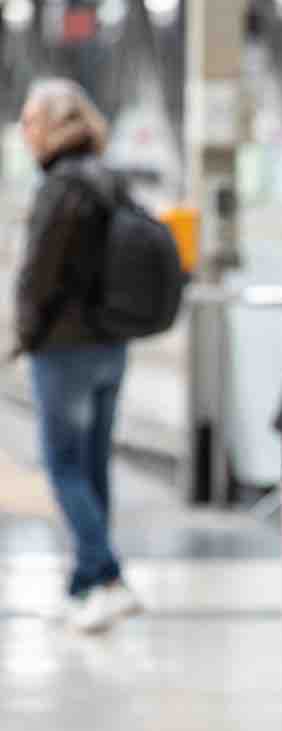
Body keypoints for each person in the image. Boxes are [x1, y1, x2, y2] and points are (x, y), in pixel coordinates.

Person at [13, 78, 142, 634]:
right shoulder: (111, 180)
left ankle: (109, 578)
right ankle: (84, 586)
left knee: (63, 468)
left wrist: (24, 334)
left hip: (64, 349)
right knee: (91, 468)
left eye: (30, 121)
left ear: (54, 125)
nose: (24, 132)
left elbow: (41, 274)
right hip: (111, 344)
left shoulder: (60, 185)